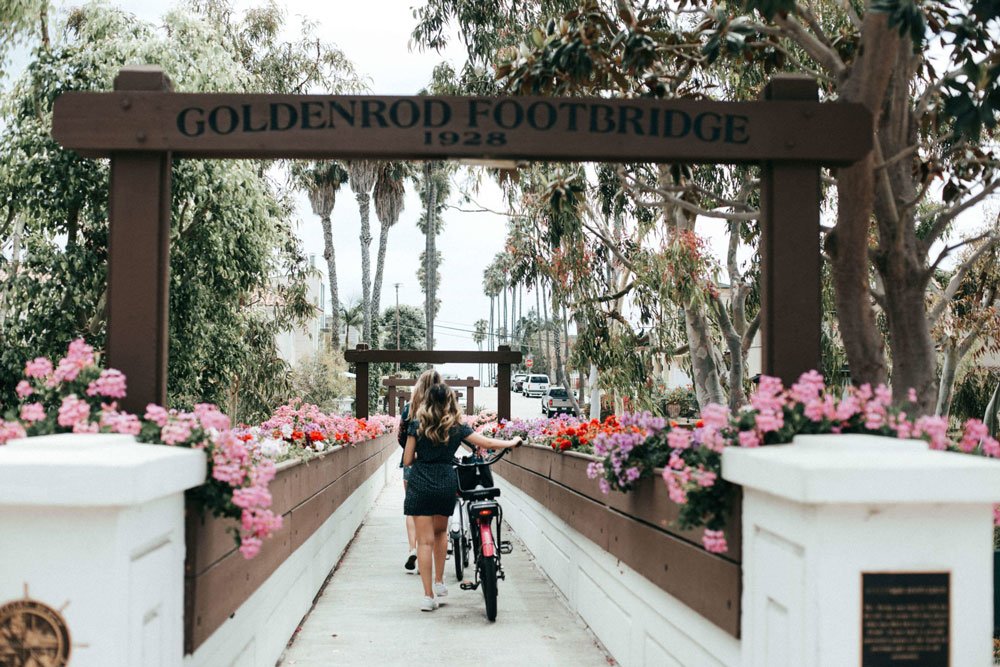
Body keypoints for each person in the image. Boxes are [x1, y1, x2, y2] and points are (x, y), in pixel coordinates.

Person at [403, 379, 522, 612]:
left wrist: (425, 459)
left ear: (427, 400)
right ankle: (439, 582)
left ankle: (428, 597)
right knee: (441, 533)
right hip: (445, 482)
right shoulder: (456, 426)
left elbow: (407, 460)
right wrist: (512, 441)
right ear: (450, 401)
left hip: (420, 484)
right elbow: (486, 442)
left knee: (424, 542)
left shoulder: (416, 424)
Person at [397, 369, 441, 572]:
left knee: (412, 507)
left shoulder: (409, 408)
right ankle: (429, 550)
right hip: (437, 464)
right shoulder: (443, 408)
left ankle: (412, 548)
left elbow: (401, 436)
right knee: (434, 510)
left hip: (411, 463)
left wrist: (411, 453)